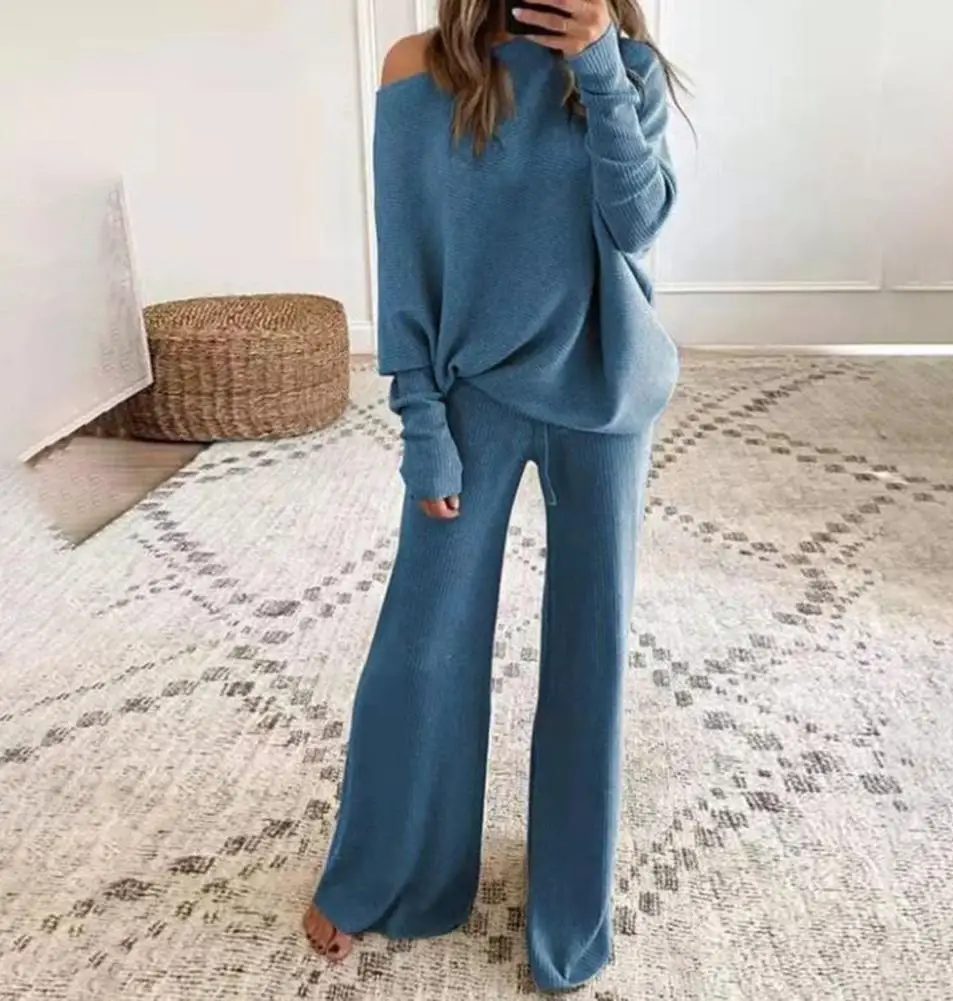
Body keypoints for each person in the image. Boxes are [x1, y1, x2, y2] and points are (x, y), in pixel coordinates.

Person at [303, 0, 683, 990]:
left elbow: (638, 223)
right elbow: (407, 259)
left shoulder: (625, 66)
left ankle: (569, 905)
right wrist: (420, 423)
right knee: (423, 640)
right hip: (474, 391)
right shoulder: (417, 68)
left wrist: (599, 68)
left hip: (606, 393)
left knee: (589, 653)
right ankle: (382, 871)